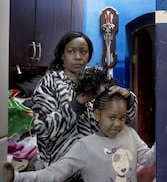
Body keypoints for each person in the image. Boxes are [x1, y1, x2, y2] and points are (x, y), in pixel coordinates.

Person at [29, 31, 137, 181]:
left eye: (83, 52)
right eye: (71, 51)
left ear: (89, 55)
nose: (78, 57)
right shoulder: (49, 84)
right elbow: (43, 129)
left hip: (99, 169)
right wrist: (77, 104)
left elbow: (126, 118)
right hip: (64, 173)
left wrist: (127, 99)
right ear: (62, 55)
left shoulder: (97, 80)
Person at [4, 89, 156, 182]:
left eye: (122, 118)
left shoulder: (130, 134)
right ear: (97, 114)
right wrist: (18, 178)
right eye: (112, 117)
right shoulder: (85, 147)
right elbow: (54, 174)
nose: (117, 124)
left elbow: (148, 159)